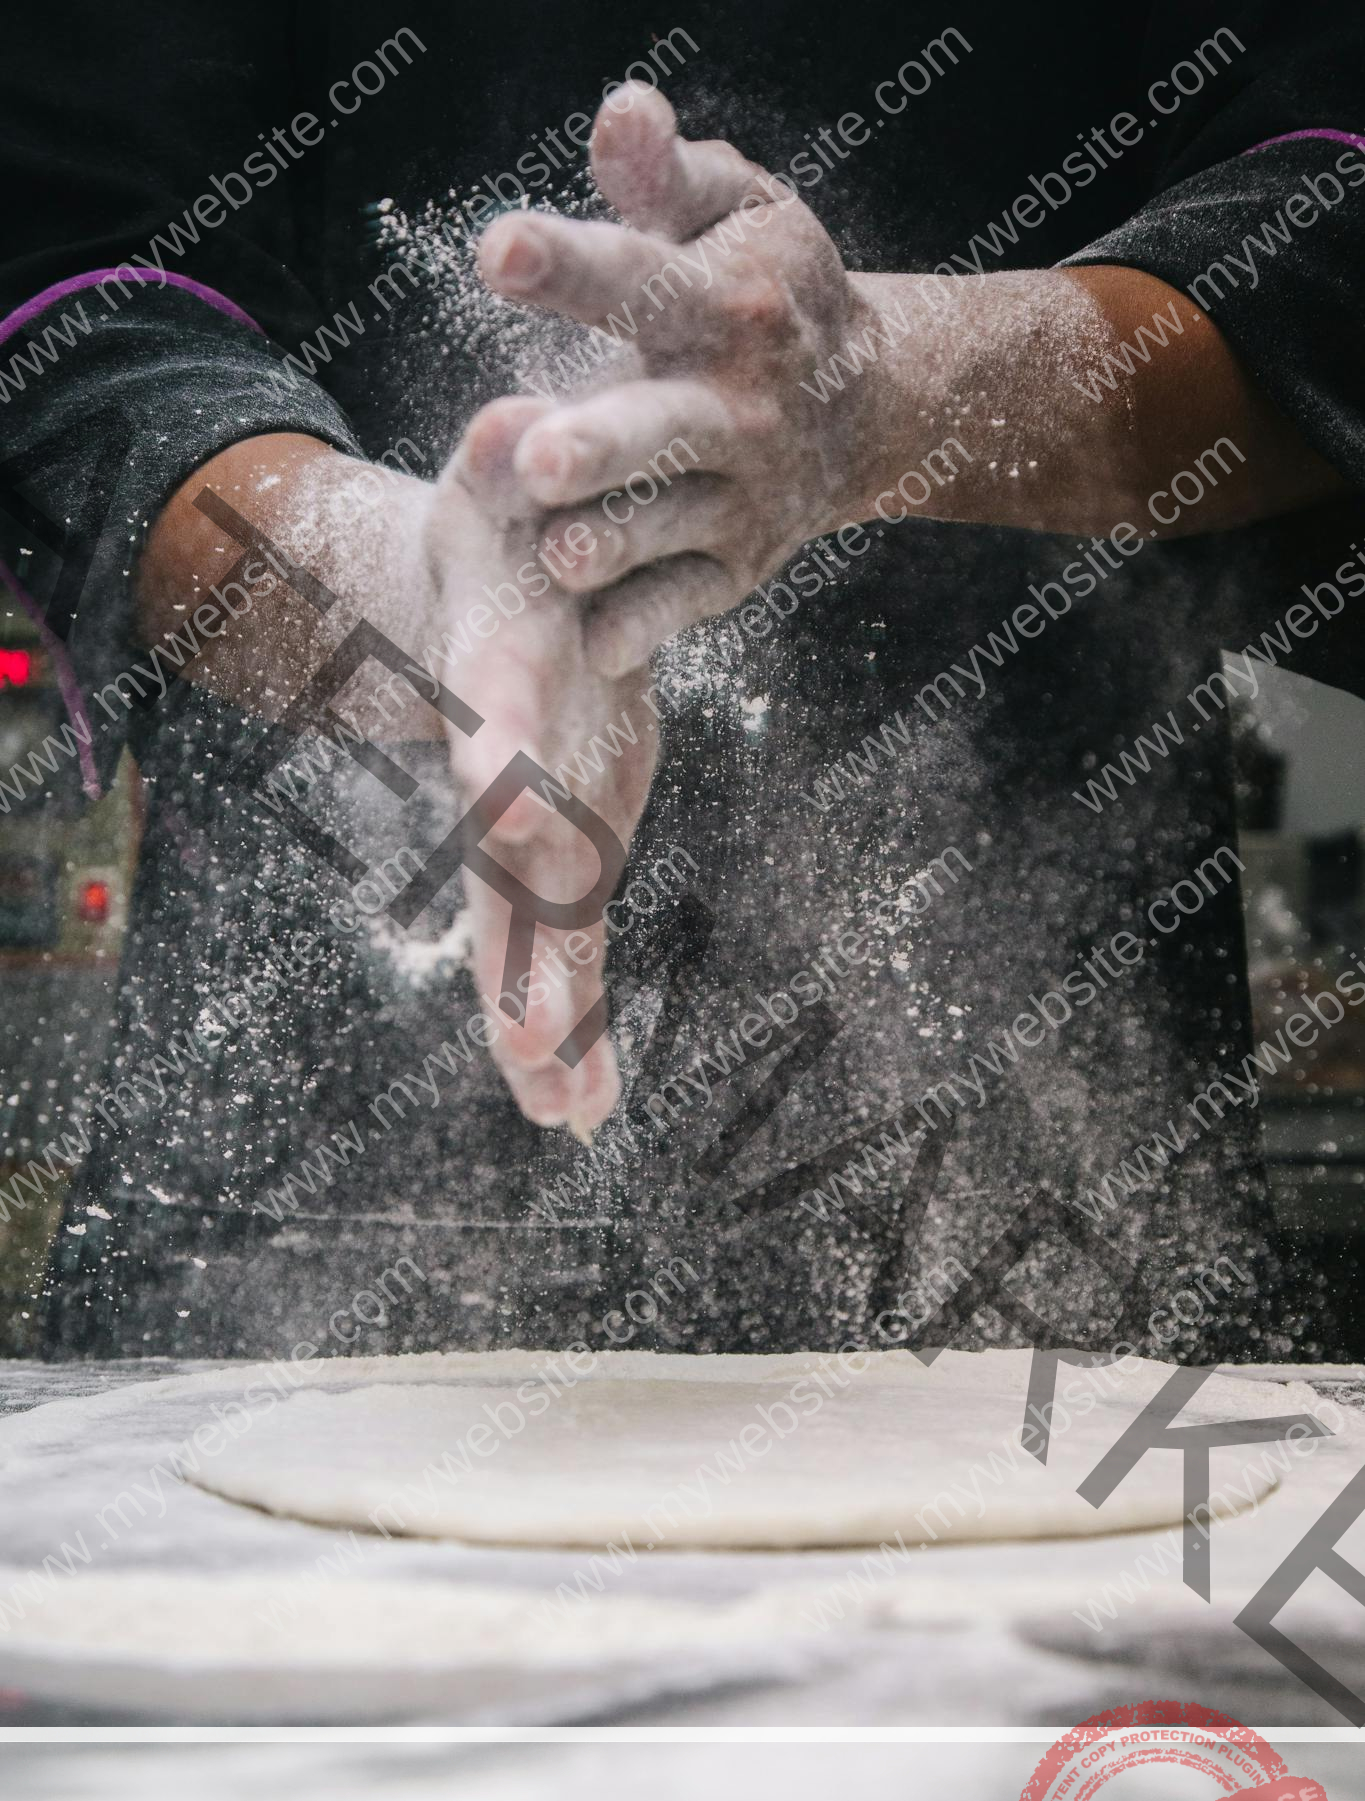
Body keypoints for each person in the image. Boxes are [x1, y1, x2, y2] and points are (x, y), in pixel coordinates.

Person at [3, 3, 1363, 1362]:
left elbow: (1329, 211)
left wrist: (899, 389)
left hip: (1055, 1147)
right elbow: (75, 293)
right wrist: (413, 590)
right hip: (310, 1165)